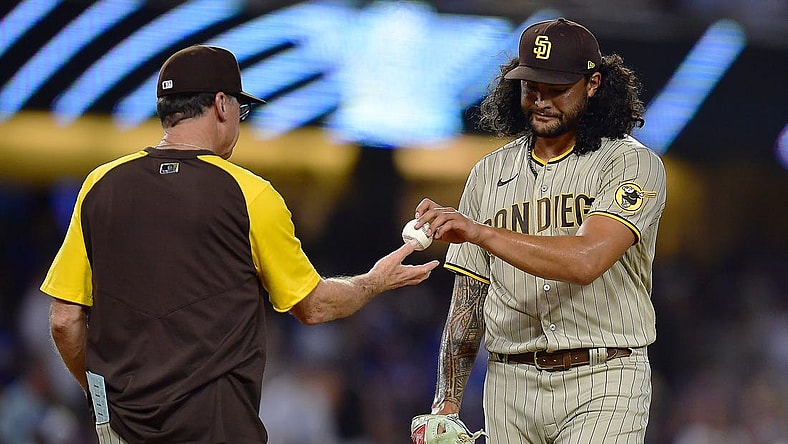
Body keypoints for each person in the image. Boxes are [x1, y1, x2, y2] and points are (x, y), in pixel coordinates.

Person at [42, 44, 440, 444]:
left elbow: (64, 320)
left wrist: (105, 402)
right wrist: (374, 280)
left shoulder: (101, 184)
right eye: (240, 108)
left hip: (122, 431)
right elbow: (313, 306)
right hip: (216, 429)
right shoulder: (248, 194)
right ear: (220, 104)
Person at [411, 18, 666, 443]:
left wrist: (480, 232)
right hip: (510, 384)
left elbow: (586, 260)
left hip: (604, 377)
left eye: (556, 88)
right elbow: (468, 302)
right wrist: (446, 406)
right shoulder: (487, 174)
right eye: (532, 87)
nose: (541, 101)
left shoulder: (629, 163)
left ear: (593, 83)